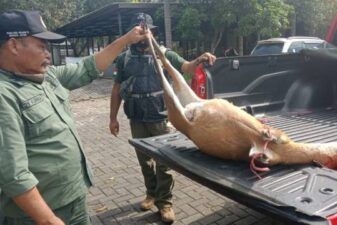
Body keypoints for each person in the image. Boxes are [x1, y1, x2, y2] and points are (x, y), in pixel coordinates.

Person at [0, 10, 148, 225]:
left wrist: (126, 39)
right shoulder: (5, 94)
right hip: (36, 215)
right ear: (13, 45)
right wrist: (48, 219)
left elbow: (87, 67)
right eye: (41, 46)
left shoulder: (45, 77)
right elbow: (13, 174)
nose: (48, 53)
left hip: (73, 200)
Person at [109, 13, 216, 223]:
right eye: (138, 32)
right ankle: (151, 194)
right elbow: (116, 90)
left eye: (147, 31)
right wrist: (113, 118)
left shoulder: (164, 54)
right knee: (144, 162)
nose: (143, 35)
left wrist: (200, 59)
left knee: (164, 163)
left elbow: (186, 67)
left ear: (153, 32)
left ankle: (165, 203)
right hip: (137, 118)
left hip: (161, 118)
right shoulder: (123, 59)